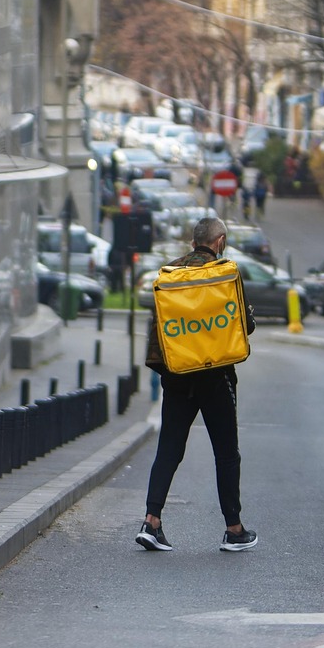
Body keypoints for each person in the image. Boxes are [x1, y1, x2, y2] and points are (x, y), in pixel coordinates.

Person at [135, 216, 258, 553]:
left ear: (194, 243)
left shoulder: (170, 273)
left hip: (178, 375)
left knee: (169, 449)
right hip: (216, 376)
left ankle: (151, 521)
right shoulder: (225, 272)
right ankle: (233, 529)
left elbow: (158, 327)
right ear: (219, 241)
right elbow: (244, 323)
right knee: (226, 453)